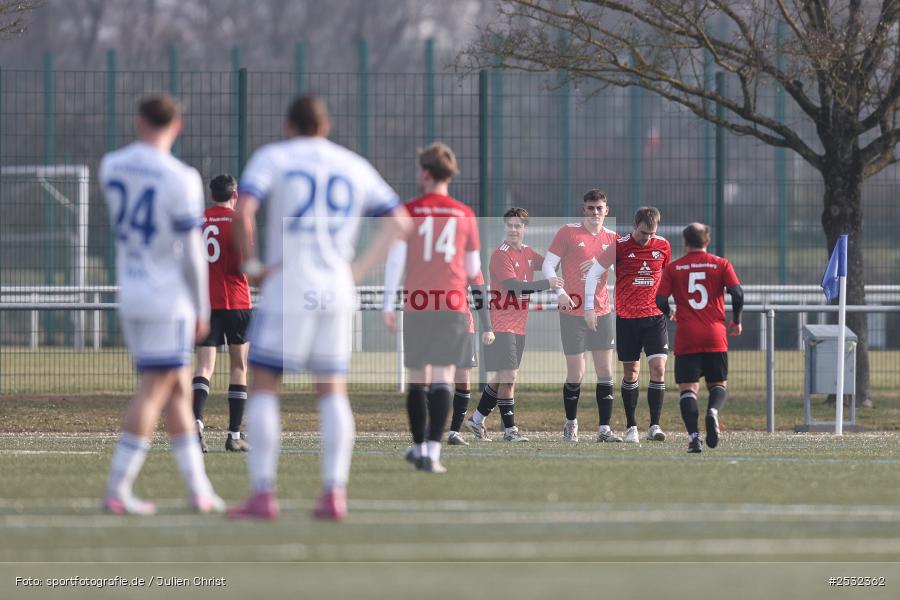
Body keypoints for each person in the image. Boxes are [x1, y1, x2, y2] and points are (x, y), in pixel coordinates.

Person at [228, 95, 410, 521]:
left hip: (290, 285)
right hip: (336, 288)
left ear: (289, 125)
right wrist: (358, 269)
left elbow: (242, 212)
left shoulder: (274, 157)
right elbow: (401, 222)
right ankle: (333, 493)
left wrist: (252, 267)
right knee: (331, 390)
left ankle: (263, 493)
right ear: (325, 125)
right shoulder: (353, 164)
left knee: (265, 383)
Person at [99, 95, 223, 515]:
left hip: (132, 292)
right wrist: (202, 307)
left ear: (139, 121)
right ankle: (118, 487)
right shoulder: (181, 177)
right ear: (178, 126)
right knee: (155, 389)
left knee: (177, 391)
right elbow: (191, 252)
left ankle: (198, 489)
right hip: (166, 298)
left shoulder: (111, 166)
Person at [382, 142, 489, 473]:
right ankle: (432, 451)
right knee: (443, 376)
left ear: (427, 173)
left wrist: (388, 303)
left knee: (418, 378)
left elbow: (395, 261)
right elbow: (473, 269)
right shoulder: (464, 214)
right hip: (452, 306)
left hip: (417, 305)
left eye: (419, 169)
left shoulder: (409, 211)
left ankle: (418, 447)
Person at [465, 207, 563, 442]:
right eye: (509, 225)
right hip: (501, 324)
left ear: (525, 228)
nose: (513, 229)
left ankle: (476, 420)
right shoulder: (501, 255)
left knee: (502, 376)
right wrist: (547, 284)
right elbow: (514, 287)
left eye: (518, 226)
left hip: (519, 325)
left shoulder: (528, 252)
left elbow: (550, 265)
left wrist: (565, 251)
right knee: (509, 377)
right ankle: (510, 431)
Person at [585, 206, 672, 443]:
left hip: (655, 318)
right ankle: (631, 426)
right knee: (631, 372)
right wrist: (589, 307)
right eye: (643, 233)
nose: (647, 238)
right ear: (635, 226)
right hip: (627, 319)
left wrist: (669, 305)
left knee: (659, 369)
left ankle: (654, 426)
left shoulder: (663, 246)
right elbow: (593, 274)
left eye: (651, 234)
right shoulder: (619, 246)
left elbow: (667, 278)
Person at [540, 190, 620, 443]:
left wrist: (602, 263)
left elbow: (622, 271)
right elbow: (547, 265)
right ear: (583, 209)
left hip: (601, 311)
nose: (595, 212)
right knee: (577, 374)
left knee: (605, 371)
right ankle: (571, 423)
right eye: (590, 208)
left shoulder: (613, 238)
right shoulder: (568, 232)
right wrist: (560, 292)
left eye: (599, 208)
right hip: (572, 312)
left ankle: (604, 429)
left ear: (607, 210)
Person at [656, 223, 743, 453]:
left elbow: (660, 300)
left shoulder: (674, 268)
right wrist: (737, 319)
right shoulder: (721, 264)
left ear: (685, 242)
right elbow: (737, 293)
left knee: (688, 389)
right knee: (718, 384)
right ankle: (713, 412)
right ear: (707, 241)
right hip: (715, 334)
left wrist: (670, 312)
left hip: (687, 335)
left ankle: (694, 438)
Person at [192, 174, 252, 453]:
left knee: (204, 366)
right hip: (237, 302)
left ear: (211, 195)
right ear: (235, 195)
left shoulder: (199, 221)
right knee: (239, 366)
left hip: (206, 302)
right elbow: (244, 264)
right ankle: (234, 435)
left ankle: (196, 425)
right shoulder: (240, 220)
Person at [446, 271, 494, 446]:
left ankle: (454, 432)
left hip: (463, 326)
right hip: (435, 325)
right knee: (435, 378)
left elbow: (478, 292)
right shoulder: (433, 260)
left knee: (463, 380)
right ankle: (429, 429)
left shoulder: (470, 261)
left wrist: (487, 327)